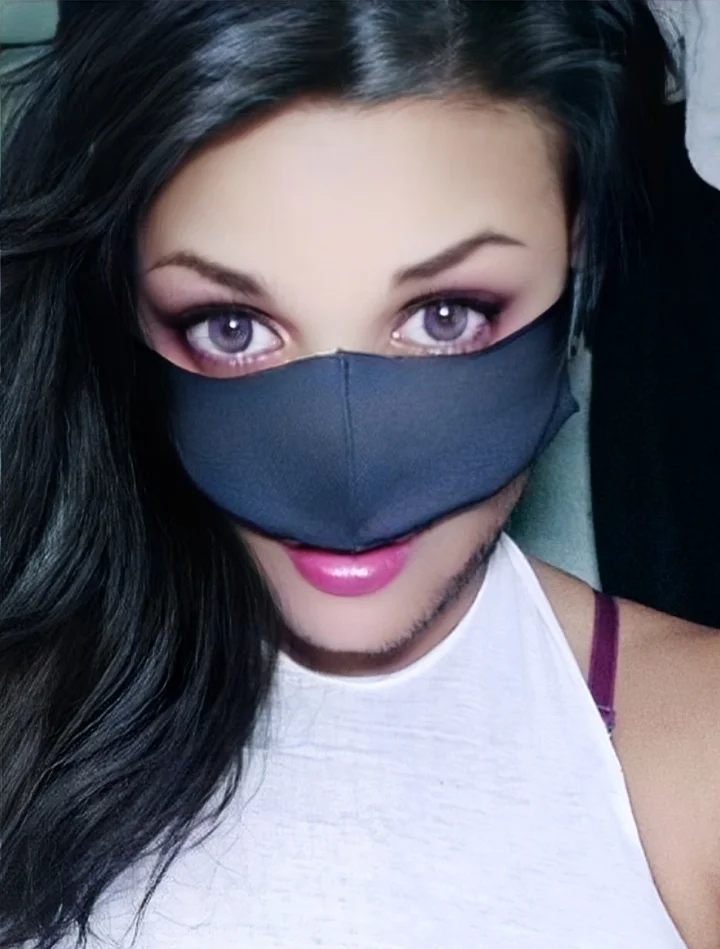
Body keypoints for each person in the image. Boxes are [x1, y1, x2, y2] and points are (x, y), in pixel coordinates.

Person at [1, 2, 718, 947]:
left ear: (575, 252)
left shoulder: (697, 752)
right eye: (232, 327)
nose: (345, 476)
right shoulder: (23, 730)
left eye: (446, 317)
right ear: (126, 303)